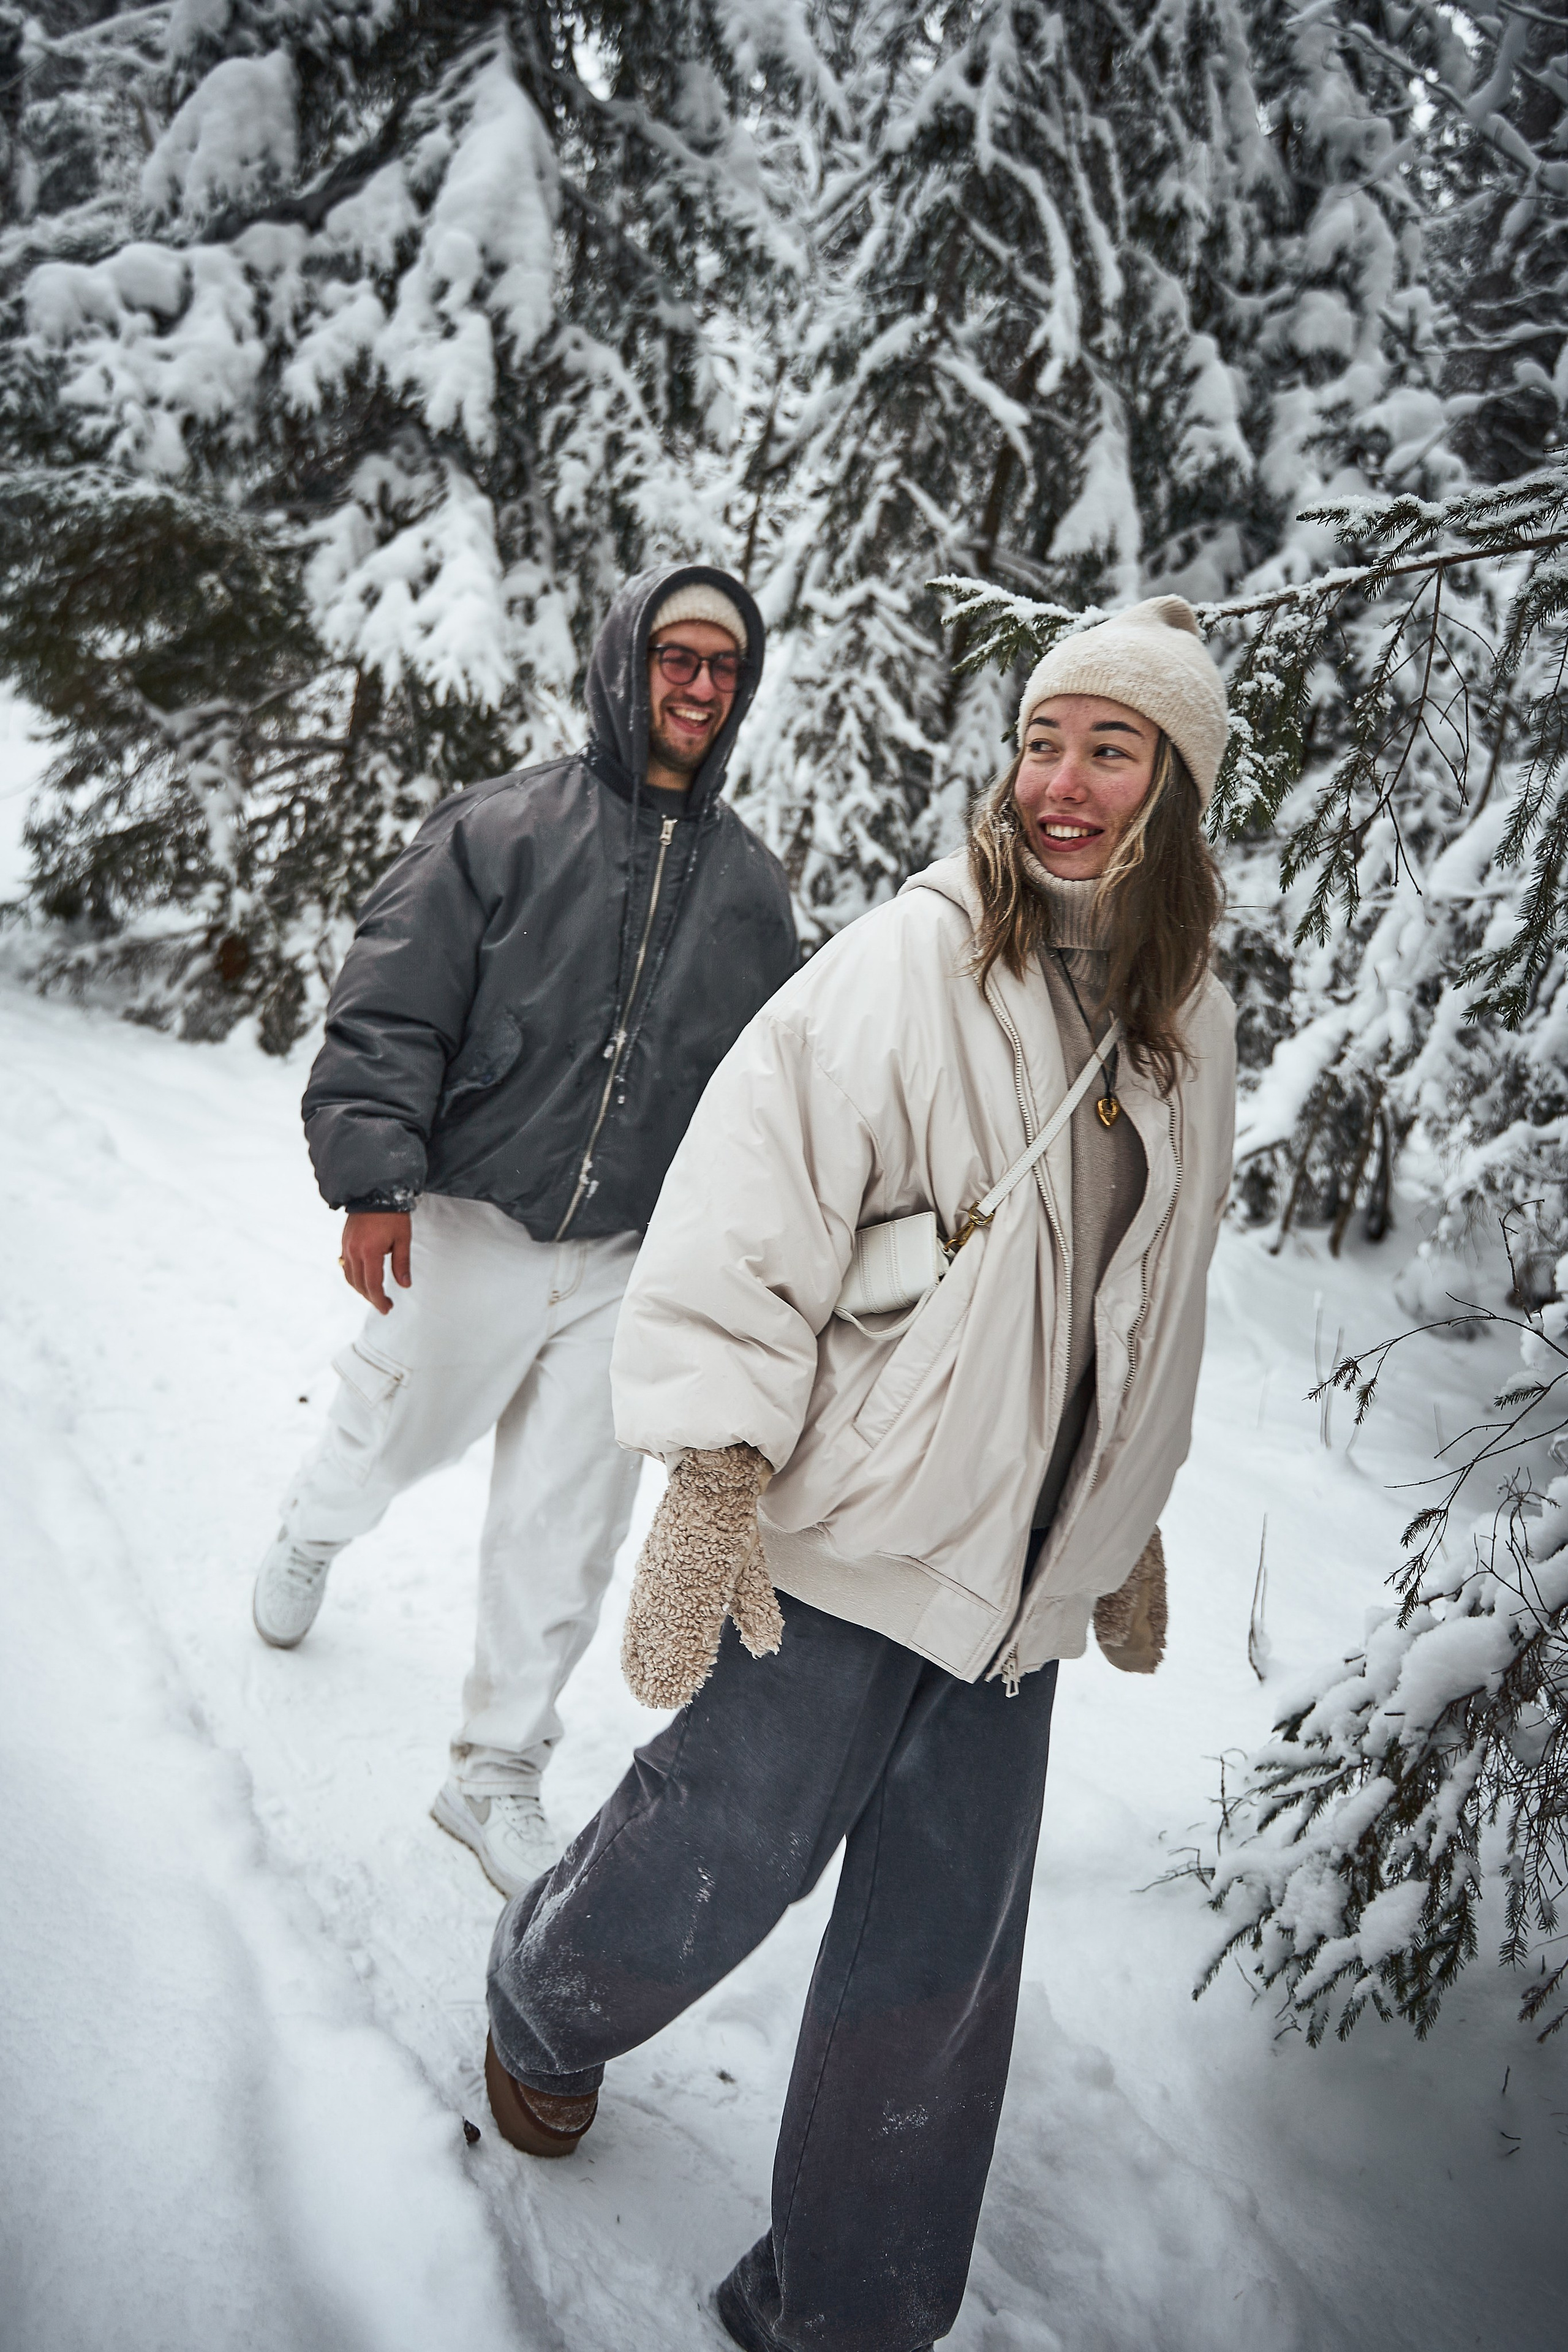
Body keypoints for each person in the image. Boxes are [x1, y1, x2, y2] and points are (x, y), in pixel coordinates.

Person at [482, 595, 1238, 2351]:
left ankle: (846, 2309)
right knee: (717, 1845)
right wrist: (716, 1472)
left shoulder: (1190, 1017)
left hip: (1024, 1584)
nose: (1060, 782)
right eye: (1045, 741)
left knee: (937, 1970)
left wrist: (1122, 1521)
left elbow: (1159, 1289)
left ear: (1178, 787)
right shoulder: (921, 960)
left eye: (1109, 750)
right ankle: (546, 2004)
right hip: (849, 1535)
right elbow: (756, 1201)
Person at [250, 565, 798, 1898]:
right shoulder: (505, 827)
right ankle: (314, 1533)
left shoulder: (751, 890)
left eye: (723, 667)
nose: (699, 684)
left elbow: (772, 1095)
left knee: (569, 1522)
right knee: (388, 1431)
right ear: (626, 663)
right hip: (473, 1220)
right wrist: (376, 1179)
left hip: (627, 1259)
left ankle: (494, 1768)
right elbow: (393, 1003)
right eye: (678, 655)